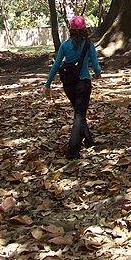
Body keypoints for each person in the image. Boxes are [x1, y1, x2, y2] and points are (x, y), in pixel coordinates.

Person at [44, 16, 101, 159]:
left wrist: (48, 84)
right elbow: (95, 65)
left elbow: (56, 65)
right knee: (79, 115)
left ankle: (89, 140)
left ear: (70, 30)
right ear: (84, 30)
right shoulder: (88, 44)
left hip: (68, 85)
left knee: (78, 112)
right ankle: (73, 150)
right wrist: (98, 74)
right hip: (83, 83)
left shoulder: (64, 45)